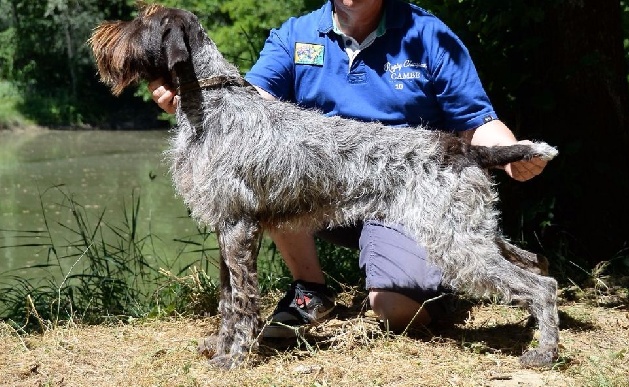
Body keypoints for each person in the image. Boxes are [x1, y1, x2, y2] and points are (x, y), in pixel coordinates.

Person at [149, 0, 548, 337]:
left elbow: (476, 120)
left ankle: (447, 289)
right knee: (262, 174)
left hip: (404, 185)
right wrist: (190, 90)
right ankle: (312, 290)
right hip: (324, 188)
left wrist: (512, 155)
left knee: (391, 307)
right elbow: (250, 106)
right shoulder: (297, 33)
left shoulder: (427, 34)